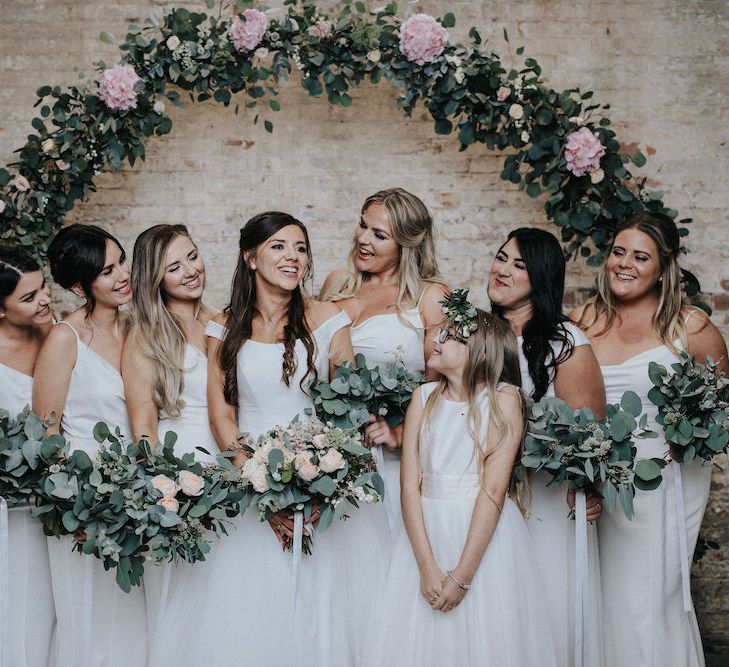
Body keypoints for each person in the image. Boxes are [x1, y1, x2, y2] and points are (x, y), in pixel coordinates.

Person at [152, 212, 370, 666]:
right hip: (249, 486)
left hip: (321, 488)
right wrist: (264, 492)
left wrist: (319, 485)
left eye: (301, 248)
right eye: (279, 246)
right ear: (250, 257)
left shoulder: (330, 320)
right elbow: (222, 416)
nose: (292, 257)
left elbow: (349, 412)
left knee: (323, 616)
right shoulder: (224, 325)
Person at [363, 291, 556, 666]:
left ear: (479, 351)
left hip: (481, 536)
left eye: (450, 336)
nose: (436, 339)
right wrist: (427, 566)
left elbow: (493, 489)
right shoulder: (423, 396)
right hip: (425, 535)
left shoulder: (505, 400)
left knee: (488, 637)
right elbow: (409, 486)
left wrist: (462, 575)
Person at [571, 212, 728, 667]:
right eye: (618, 252)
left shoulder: (691, 328)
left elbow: (721, 409)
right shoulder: (584, 319)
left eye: (641, 257)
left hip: (661, 482)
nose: (625, 264)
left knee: (647, 602)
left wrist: (689, 439)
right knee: (597, 597)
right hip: (598, 476)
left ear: (663, 268)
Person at [488, 227, 606, 666]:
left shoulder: (566, 345)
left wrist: (588, 488)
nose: (502, 271)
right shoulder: (474, 335)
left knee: (545, 608)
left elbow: (590, 435)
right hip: (482, 496)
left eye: (519, 266)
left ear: (540, 279)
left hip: (545, 502)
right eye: (501, 258)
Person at [33, 224, 147, 667]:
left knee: (134, 622)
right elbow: (47, 435)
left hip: (135, 501)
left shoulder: (138, 327)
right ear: (80, 286)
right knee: (91, 621)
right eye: (107, 271)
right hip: (84, 504)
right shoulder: (65, 338)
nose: (123, 275)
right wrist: (75, 507)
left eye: (122, 261)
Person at [320, 187, 448, 535]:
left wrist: (400, 433)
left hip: (395, 458)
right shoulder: (335, 285)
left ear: (406, 244)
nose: (363, 239)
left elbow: (447, 387)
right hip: (335, 455)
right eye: (362, 226)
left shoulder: (430, 297)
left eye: (379, 235)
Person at [122, 224, 220, 654]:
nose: (190, 271)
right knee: (186, 595)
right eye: (174, 267)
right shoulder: (146, 336)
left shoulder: (224, 321)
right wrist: (162, 490)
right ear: (154, 278)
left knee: (226, 589)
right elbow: (142, 424)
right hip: (180, 472)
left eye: (193, 257)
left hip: (229, 463)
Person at [0, 245, 55, 667]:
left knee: (53, 606)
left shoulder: (56, 334)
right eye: (29, 297)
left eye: (44, 288)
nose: (44, 301)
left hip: (58, 497)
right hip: (12, 506)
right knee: (18, 601)